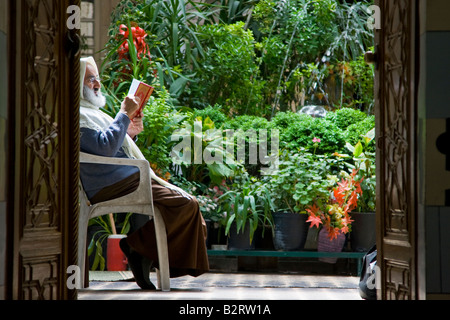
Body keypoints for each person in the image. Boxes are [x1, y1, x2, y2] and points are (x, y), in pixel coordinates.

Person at [79, 57, 209, 290]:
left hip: (124, 177)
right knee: (187, 204)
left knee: (189, 206)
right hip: (114, 182)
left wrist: (129, 133)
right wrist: (124, 115)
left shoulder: (91, 112)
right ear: (78, 82)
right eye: (90, 79)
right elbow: (104, 147)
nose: (97, 83)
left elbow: (110, 146)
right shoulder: (78, 114)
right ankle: (136, 248)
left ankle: (138, 249)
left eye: (98, 77)